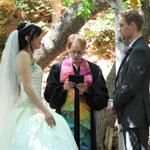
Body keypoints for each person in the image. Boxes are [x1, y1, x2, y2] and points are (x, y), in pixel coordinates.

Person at [0, 22, 78, 150]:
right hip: (27, 108)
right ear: (27, 39)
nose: (41, 40)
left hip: (35, 105)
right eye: (38, 38)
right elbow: (27, 87)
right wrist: (45, 111)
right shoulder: (23, 56)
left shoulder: (29, 56)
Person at [44, 33, 109, 150]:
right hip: (64, 121)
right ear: (67, 48)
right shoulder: (58, 69)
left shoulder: (93, 69)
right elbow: (49, 97)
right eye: (73, 51)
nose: (76, 55)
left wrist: (88, 90)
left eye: (80, 52)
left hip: (86, 124)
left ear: (84, 50)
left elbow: (103, 99)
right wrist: (63, 88)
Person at [107, 9, 150, 150]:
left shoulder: (140, 50)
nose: (119, 29)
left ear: (132, 25)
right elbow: (123, 81)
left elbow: (130, 85)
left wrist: (115, 103)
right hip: (132, 115)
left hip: (136, 115)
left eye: (122, 25)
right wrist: (113, 99)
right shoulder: (135, 48)